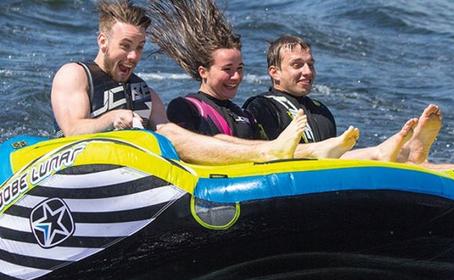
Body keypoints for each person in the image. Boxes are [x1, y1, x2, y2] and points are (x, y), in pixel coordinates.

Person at [149, 0, 419, 162]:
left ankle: (385, 153)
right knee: (224, 139)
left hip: (257, 171)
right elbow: (186, 153)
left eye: (240, 68)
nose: (236, 77)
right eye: (227, 69)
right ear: (203, 71)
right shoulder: (186, 107)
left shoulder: (241, 113)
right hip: (215, 188)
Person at [50, 0, 309, 165]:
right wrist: (112, 118)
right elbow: (73, 130)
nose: (133, 56)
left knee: (173, 133)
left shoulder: (145, 92)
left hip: (133, 169)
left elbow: (169, 134)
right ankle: (268, 153)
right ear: (103, 42)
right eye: (125, 46)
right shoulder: (76, 74)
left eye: (140, 47)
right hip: (79, 168)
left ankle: (290, 152)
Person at [243, 35, 454, 174]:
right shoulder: (261, 107)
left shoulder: (320, 110)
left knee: (411, 165)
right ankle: (406, 151)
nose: (307, 71)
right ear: (274, 72)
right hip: (292, 179)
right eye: (297, 65)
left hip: (330, 177)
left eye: (310, 64)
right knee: (386, 158)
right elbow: (258, 156)